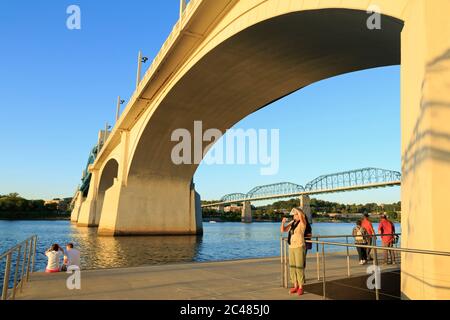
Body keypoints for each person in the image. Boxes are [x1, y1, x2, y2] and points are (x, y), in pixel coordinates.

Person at [280, 207, 307, 296]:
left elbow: (301, 215)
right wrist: (283, 223)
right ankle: (295, 286)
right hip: (291, 247)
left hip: (299, 246)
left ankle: (300, 287)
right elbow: (283, 230)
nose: (294, 216)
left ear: (300, 215)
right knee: (292, 267)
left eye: (296, 214)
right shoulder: (292, 223)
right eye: (294, 215)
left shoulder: (303, 223)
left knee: (299, 267)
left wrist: (296, 209)